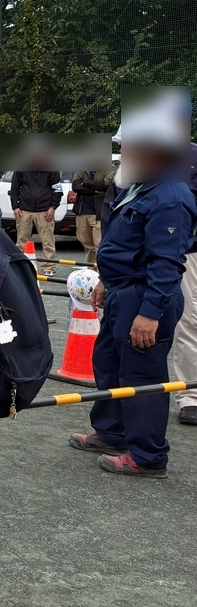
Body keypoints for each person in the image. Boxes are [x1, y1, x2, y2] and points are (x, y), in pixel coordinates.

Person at [68, 113, 195, 476]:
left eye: (130, 148)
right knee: (109, 362)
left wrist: (150, 313)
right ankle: (112, 432)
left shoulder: (169, 197)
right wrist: (108, 279)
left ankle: (148, 456)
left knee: (143, 377)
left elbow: (166, 263)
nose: (124, 154)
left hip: (144, 299)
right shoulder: (143, 186)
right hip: (125, 293)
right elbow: (127, 243)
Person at [172, 114, 197, 426]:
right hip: (173, 251)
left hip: (189, 249)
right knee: (188, 321)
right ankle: (190, 395)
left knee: (191, 319)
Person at [9, 165, 62, 276]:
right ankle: (20, 267)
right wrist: (15, 206)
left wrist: (53, 207)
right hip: (24, 210)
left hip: (45, 211)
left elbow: (57, 189)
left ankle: (49, 267)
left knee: (48, 241)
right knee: (21, 241)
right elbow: (14, 187)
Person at [71, 166, 114, 264]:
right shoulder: (82, 168)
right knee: (86, 243)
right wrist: (95, 190)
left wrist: (85, 183)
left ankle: (102, 271)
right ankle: (91, 270)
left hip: (99, 213)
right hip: (82, 211)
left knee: (99, 244)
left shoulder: (109, 167)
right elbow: (75, 186)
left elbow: (106, 184)